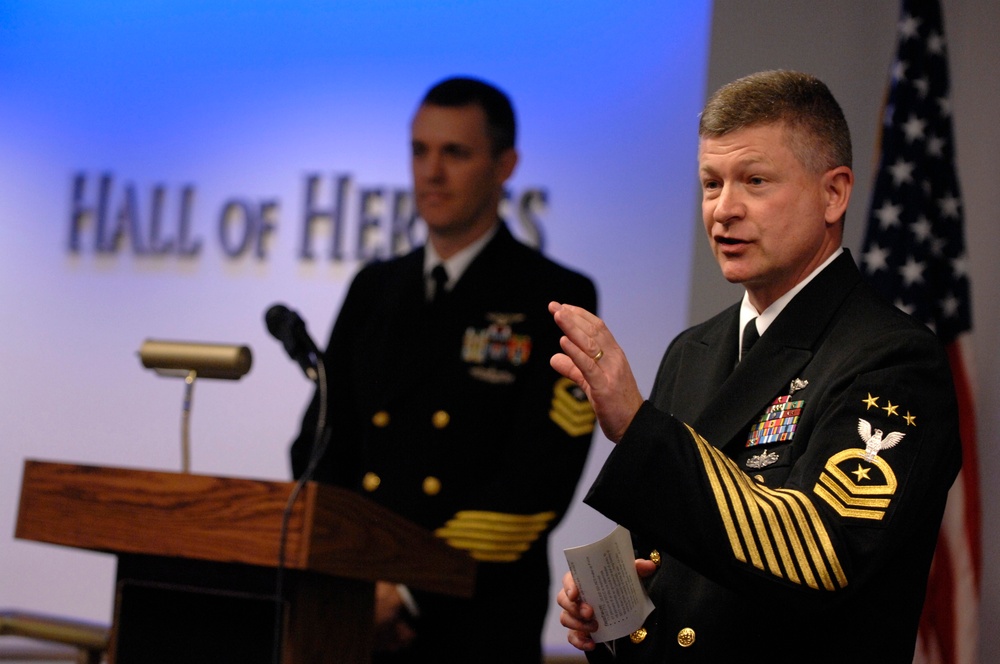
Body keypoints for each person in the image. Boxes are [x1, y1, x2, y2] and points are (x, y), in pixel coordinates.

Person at [549, 70, 961, 663]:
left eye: (756, 181)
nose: (723, 209)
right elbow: (668, 563)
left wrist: (639, 429)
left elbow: (820, 553)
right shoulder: (692, 350)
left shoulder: (891, 357)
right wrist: (614, 608)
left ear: (834, 194)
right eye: (711, 184)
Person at [290, 76, 598, 663]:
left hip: (472, 619)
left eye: (454, 153)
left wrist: (404, 590)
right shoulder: (373, 288)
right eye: (419, 151)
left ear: (505, 165)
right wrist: (356, 579)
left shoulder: (555, 295)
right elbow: (320, 445)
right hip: (351, 612)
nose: (431, 173)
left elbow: (537, 482)